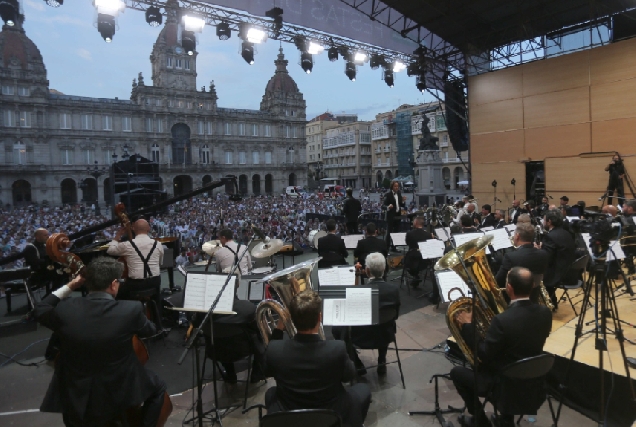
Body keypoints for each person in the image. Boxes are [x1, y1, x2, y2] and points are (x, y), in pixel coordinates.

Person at [34, 257, 168, 427]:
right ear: (113, 284)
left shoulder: (65, 309)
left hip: (75, 390)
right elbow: (151, 330)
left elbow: (39, 309)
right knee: (159, 388)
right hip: (118, 386)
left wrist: (72, 285)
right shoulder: (130, 310)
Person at [450, 267, 552, 427]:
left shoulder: (502, 321)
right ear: (533, 285)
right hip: (533, 381)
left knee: (457, 373)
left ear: (509, 288)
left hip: (503, 385)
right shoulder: (545, 313)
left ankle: (480, 421)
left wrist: (469, 326)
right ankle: (505, 419)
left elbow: (483, 354)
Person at [263, 290, 371, 427]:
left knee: (270, 393)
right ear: (319, 317)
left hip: (291, 412)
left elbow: (266, 372)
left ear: (290, 319)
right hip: (331, 412)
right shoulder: (336, 348)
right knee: (363, 389)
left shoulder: (275, 349)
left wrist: (278, 330)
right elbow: (349, 375)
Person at [332, 252, 400, 376]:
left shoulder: (359, 292)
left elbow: (349, 315)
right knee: (385, 321)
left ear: (367, 271)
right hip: (385, 335)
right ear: (384, 269)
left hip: (361, 338)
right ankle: (382, 360)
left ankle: (357, 364)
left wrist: (356, 276)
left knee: (336, 329)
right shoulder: (393, 290)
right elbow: (395, 316)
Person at [107, 219, 165, 328]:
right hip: (154, 282)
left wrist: (118, 235)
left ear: (133, 229)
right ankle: (158, 324)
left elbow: (110, 250)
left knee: (117, 292)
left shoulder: (127, 245)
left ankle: (127, 325)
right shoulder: (158, 244)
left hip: (135, 284)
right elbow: (160, 263)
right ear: (148, 229)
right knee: (156, 293)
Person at [495, 223, 549, 302]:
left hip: (515, 297)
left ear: (517, 236)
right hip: (534, 295)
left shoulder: (510, 257)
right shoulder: (544, 254)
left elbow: (498, 281)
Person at [536, 209, 575, 308]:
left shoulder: (550, 237)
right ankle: (552, 300)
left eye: (544, 220)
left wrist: (538, 250)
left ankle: (543, 304)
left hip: (558, 275)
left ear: (549, 222)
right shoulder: (566, 233)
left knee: (531, 271)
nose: (543, 222)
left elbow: (546, 259)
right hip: (570, 272)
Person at [23, 228, 64, 295]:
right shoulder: (30, 248)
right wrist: (49, 261)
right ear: (37, 237)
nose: (48, 237)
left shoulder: (45, 246)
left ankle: (52, 296)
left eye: (47, 235)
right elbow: (34, 263)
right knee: (60, 274)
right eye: (45, 235)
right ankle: (50, 297)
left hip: (46, 271)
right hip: (36, 274)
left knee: (64, 272)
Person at [404, 216, 435, 291]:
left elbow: (407, 243)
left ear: (416, 223)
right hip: (424, 261)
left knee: (404, 261)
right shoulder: (428, 235)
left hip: (411, 260)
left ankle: (415, 276)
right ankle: (416, 276)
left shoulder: (409, 233)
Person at [383, 181, 406, 250]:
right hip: (390, 216)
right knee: (389, 232)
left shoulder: (399, 193)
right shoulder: (388, 194)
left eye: (397, 186)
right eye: (395, 186)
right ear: (392, 187)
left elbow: (401, 205)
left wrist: (403, 201)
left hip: (397, 216)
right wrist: (388, 207)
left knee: (396, 232)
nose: (396, 188)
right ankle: (386, 248)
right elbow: (383, 206)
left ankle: (394, 247)